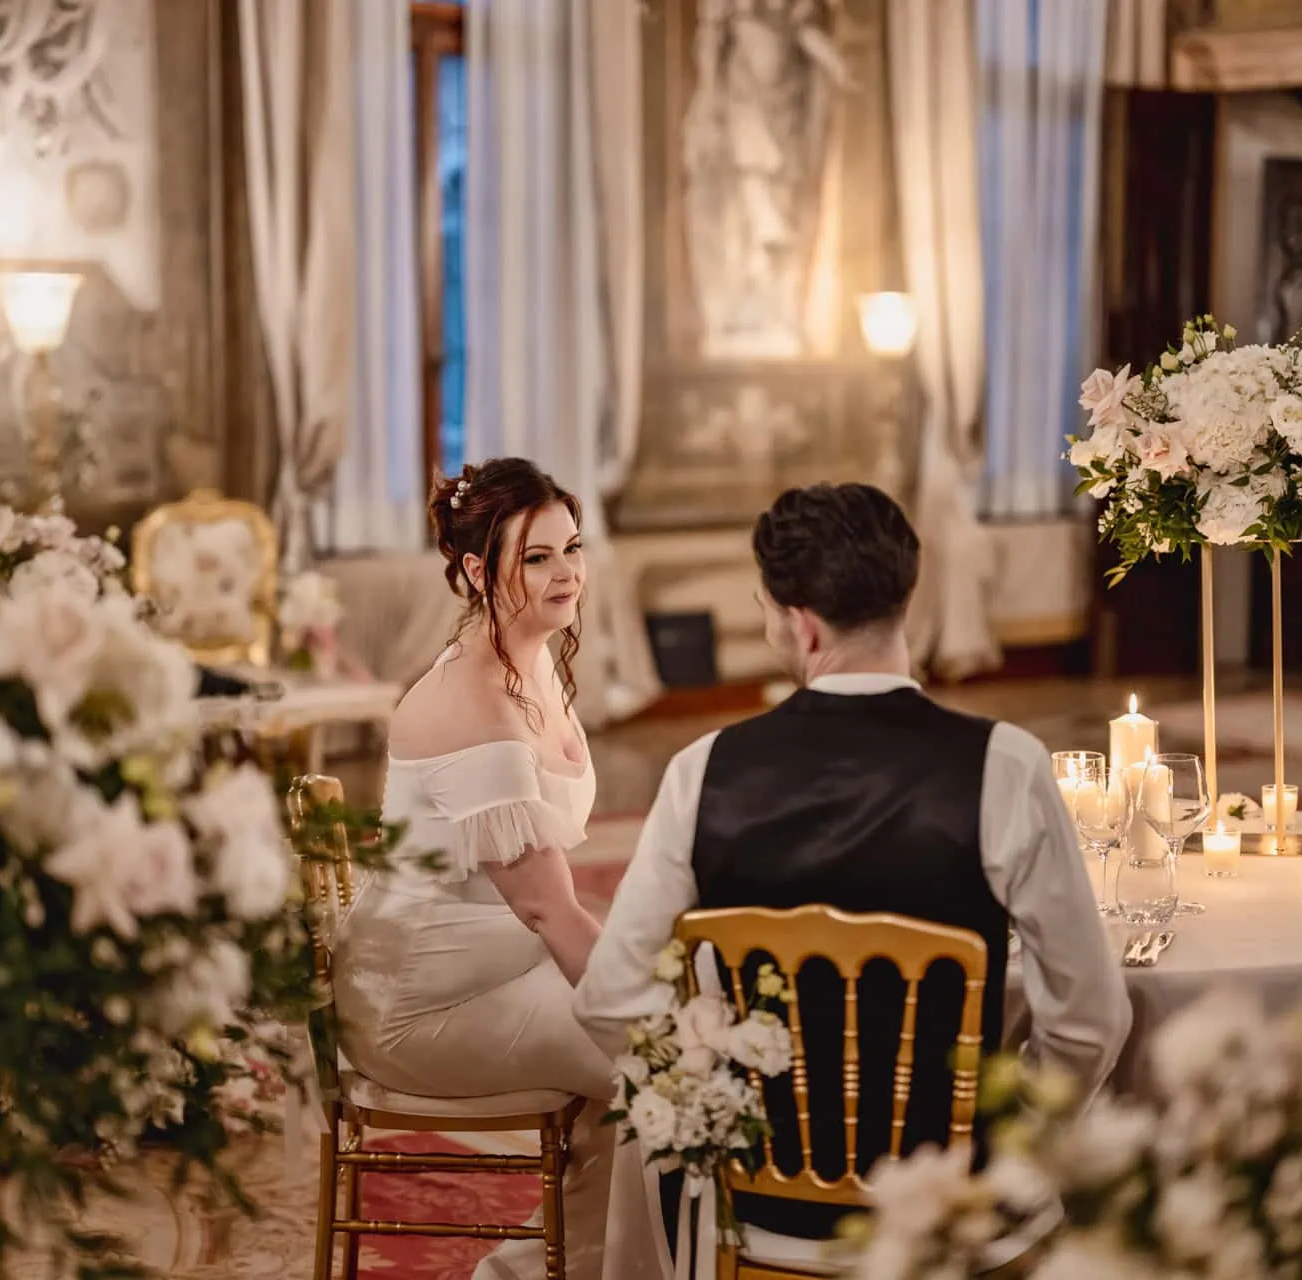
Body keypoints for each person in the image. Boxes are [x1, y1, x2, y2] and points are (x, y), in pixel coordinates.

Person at [574, 482, 1132, 1253]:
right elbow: (1092, 1017)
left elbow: (609, 999)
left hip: (760, 1212)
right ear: (903, 594)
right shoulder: (1005, 764)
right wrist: (1015, 1130)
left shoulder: (703, 770)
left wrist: (711, 1108)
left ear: (800, 627)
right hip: (955, 1204)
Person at [332, 457, 668, 1280]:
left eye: (572, 548)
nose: (567, 574)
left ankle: (540, 1268)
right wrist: (653, 1010)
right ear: (479, 571)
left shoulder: (534, 657)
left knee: (659, 1054)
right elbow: (552, 913)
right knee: (668, 1073)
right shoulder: (474, 702)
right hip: (422, 1008)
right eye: (537, 558)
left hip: (498, 969)